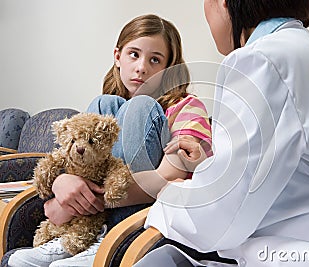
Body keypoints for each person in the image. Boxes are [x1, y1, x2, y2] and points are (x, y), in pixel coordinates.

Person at [133, 1, 309, 267]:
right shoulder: (299, 51)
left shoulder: (260, 60)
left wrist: (169, 197)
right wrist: (207, 170)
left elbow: (222, 214)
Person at [8, 14, 212, 267]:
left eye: (155, 60)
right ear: (118, 57)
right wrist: (62, 181)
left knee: (140, 106)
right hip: (100, 208)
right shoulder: (107, 108)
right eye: (134, 54)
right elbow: (72, 161)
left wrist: (71, 204)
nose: (141, 68)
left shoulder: (187, 107)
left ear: (169, 68)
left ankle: (106, 237)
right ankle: (78, 238)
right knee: (105, 104)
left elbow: (169, 177)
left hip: (145, 215)